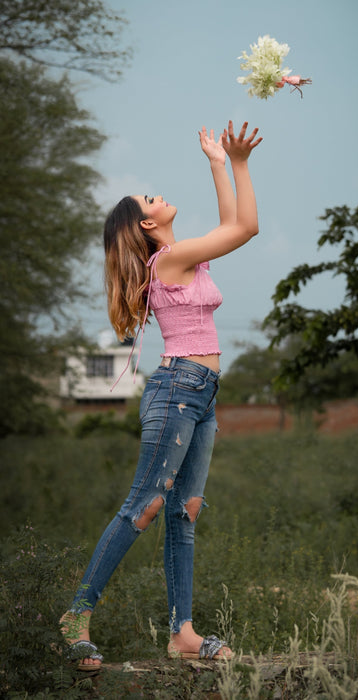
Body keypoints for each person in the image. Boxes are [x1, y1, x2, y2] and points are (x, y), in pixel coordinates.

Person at [60, 120, 262, 669]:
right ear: (147, 222)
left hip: (202, 392)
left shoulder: (186, 256)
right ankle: (77, 615)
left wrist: (218, 161)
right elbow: (247, 227)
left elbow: (231, 224)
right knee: (144, 505)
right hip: (177, 390)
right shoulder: (168, 260)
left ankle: (183, 633)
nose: (159, 193)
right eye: (150, 197)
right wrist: (239, 163)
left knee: (184, 511)